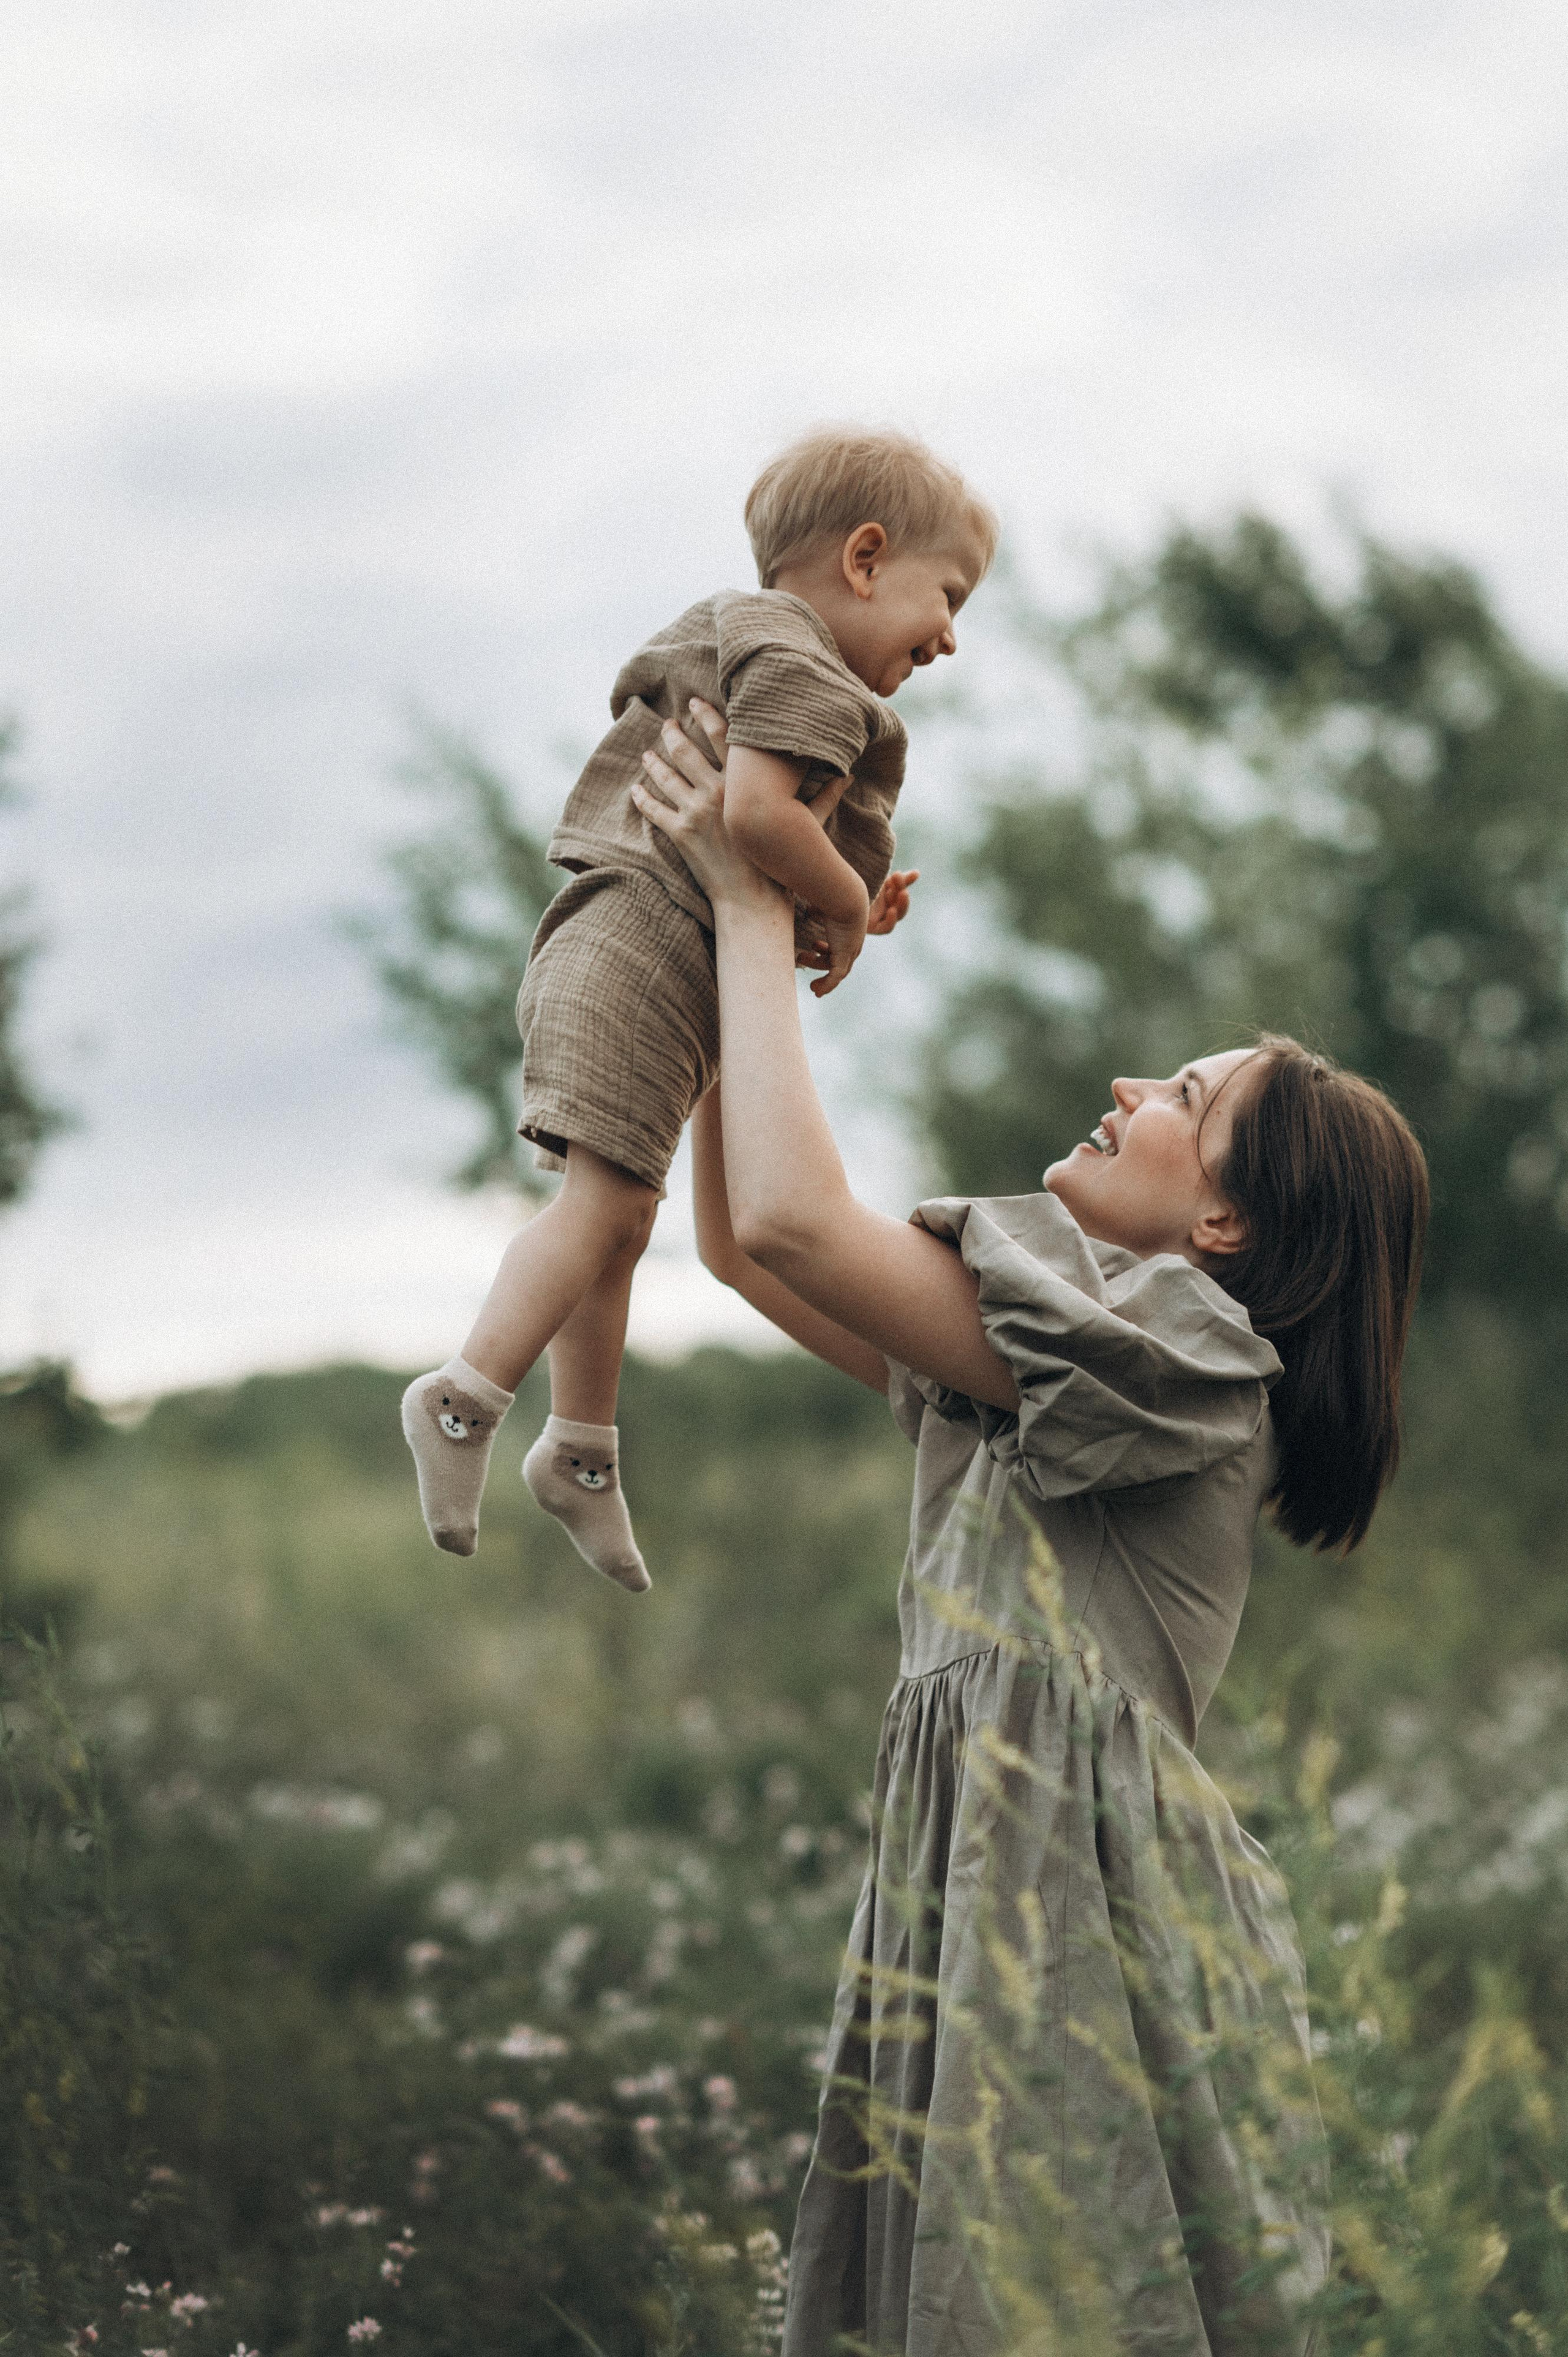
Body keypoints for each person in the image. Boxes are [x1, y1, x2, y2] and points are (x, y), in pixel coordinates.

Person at [631, 705, 1429, 2357]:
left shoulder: (1185, 1360)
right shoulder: (1047, 1368)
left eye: (1185, 1094)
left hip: (1079, 1919)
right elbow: (738, 1246)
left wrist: (757, 905)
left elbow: (791, 1215)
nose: (1132, 1084)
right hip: (987, 1891)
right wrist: (717, 955)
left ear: (1223, 1219)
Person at [401, 428, 997, 1580]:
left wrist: (848, 897)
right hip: (638, 944)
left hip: (665, 958)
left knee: (620, 1221)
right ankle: (468, 1395)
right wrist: (843, 901)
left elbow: (780, 836)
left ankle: (581, 1451)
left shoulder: (781, 662)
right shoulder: (799, 660)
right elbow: (760, 823)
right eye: (949, 594)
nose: (952, 635)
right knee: (606, 1213)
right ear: (865, 560)